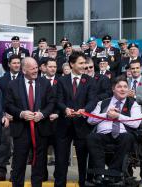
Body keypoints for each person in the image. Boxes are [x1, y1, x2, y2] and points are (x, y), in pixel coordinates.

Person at [5, 57, 55, 187]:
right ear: (24, 70)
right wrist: (21, 113)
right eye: (32, 68)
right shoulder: (13, 84)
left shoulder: (44, 83)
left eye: (36, 68)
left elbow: (51, 103)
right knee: (19, 165)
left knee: (38, 165)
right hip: (21, 130)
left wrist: (42, 114)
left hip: (40, 129)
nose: (35, 70)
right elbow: (9, 104)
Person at [86, 75, 142, 185]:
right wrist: (106, 115)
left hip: (122, 135)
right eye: (119, 86)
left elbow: (136, 123)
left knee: (128, 137)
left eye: (125, 87)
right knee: (91, 137)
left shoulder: (133, 104)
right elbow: (90, 120)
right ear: (113, 89)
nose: (123, 89)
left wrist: (118, 116)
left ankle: (112, 173)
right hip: (103, 135)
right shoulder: (102, 103)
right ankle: (99, 173)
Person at [55, 51, 97, 187]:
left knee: (83, 159)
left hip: (82, 125)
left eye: (85, 63)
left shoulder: (90, 81)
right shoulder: (61, 80)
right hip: (64, 125)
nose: (84, 66)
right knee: (61, 159)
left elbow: (92, 100)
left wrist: (85, 110)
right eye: (81, 63)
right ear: (72, 64)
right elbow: (58, 100)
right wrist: (65, 109)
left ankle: (83, 183)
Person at [0, 54, 22, 183]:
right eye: (14, 63)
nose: (16, 65)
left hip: (20, 118)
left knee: (18, 148)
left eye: (18, 63)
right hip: (6, 119)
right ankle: (1, 172)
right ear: (9, 64)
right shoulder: (2, 80)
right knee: (4, 147)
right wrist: (4, 114)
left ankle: (14, 174)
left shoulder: (24, 79)